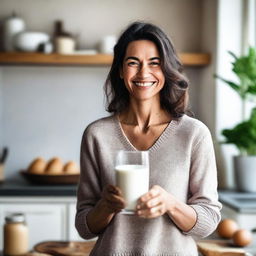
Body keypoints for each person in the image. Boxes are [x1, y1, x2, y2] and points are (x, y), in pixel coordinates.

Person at [75, 21, 222, 255]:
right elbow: (84, 226)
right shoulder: (97, 135)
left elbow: (208, 221)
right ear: (121, 71)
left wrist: (171, 204)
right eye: (133, 63)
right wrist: (105, 206)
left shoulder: (194, 134)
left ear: (167, 70)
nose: (144, 73)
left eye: (155, 63)